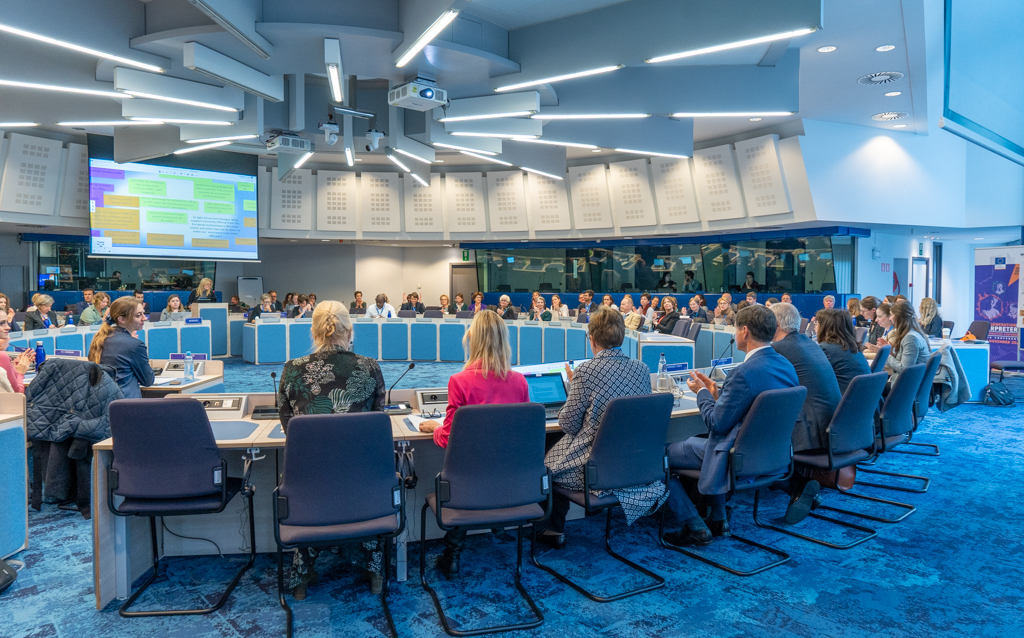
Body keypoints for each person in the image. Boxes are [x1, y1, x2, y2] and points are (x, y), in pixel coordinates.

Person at [663, 305, 799, 547]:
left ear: (744, 331)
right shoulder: (786, 366)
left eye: (736, 330)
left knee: (658, 456)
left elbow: (716, 423)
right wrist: (717, 395)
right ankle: (718, 519)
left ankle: (695, 526)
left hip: (733, 456)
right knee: (702, 440)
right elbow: (748, 411)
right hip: (770, 455)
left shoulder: (743, 373)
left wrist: (702, 393)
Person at [277, 301, 386, 598]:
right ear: (350, 331)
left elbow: (290, 429)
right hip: (361, 478)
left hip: (310, 480)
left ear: (313, 331)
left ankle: (303, 576)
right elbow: (377, 422)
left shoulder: (292, 368)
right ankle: (374, 571)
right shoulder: (369, 367)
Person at [539, 307, 666, 548]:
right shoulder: (641, 368)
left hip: (593, 468)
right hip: (633, 464)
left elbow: (568, 424)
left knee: (546, 467)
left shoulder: (586, 371)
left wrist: (574, 392)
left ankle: (552, 530)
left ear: (592, 339)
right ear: (622, 336)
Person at [417, 310, 529, 577]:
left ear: (473, 340)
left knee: (463, 476)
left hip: (468, 485)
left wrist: (435, 428)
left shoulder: (459, 381)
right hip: (511, 481)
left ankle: (453, 553)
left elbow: (448, 438)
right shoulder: (520, 382)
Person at [770, 303, 842, 481]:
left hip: (812, 434)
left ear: (775, 324)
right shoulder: (809, 343)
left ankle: (792, 483)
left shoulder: (779, 348)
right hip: (832, 428)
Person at [88, 296, 154, 399]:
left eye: (143, 313)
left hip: (102, 401)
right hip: (126, 403)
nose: (144, 318)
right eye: (138, 315)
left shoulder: (100, 338)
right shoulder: (135, 345)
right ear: (122, 319)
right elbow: (148, 380)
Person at [816, 308, 871, 396]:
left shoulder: (826, 349)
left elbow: (815, 379)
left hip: (845, 400)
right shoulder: (852, 346)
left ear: (824, 327)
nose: (815, 328)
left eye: (817, 324)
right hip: (864, 399)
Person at [881, 301, 931, 385]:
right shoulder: (914, 333)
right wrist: (892, 354)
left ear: (899, 317)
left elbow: (904, 368)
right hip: (909, 384)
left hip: (906, 386)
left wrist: (886, 355)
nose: (890, 318)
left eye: (891, 315)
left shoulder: (910, 338)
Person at [0, 308, 33, 393]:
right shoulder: (2, 356)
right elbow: (17, 394)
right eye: (1, 323)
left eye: (6, 322)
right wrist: (20, 372)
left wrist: (13, 369)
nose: (8, 327)